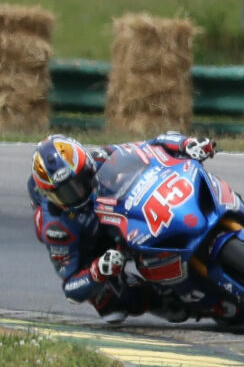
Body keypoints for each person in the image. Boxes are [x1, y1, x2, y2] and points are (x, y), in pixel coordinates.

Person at [28, 132, 218, 324]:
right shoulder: (56, 227)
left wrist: (186, 144)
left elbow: (150, 146)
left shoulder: (101, 158)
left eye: (82, 179)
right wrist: (98, 270)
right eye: (67, 192)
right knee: (113, 308)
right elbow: (71, 287)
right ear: (51, 196)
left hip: (125, 215)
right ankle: (160, 300)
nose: (80, 192)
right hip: (97, 249)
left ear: (87, 164)